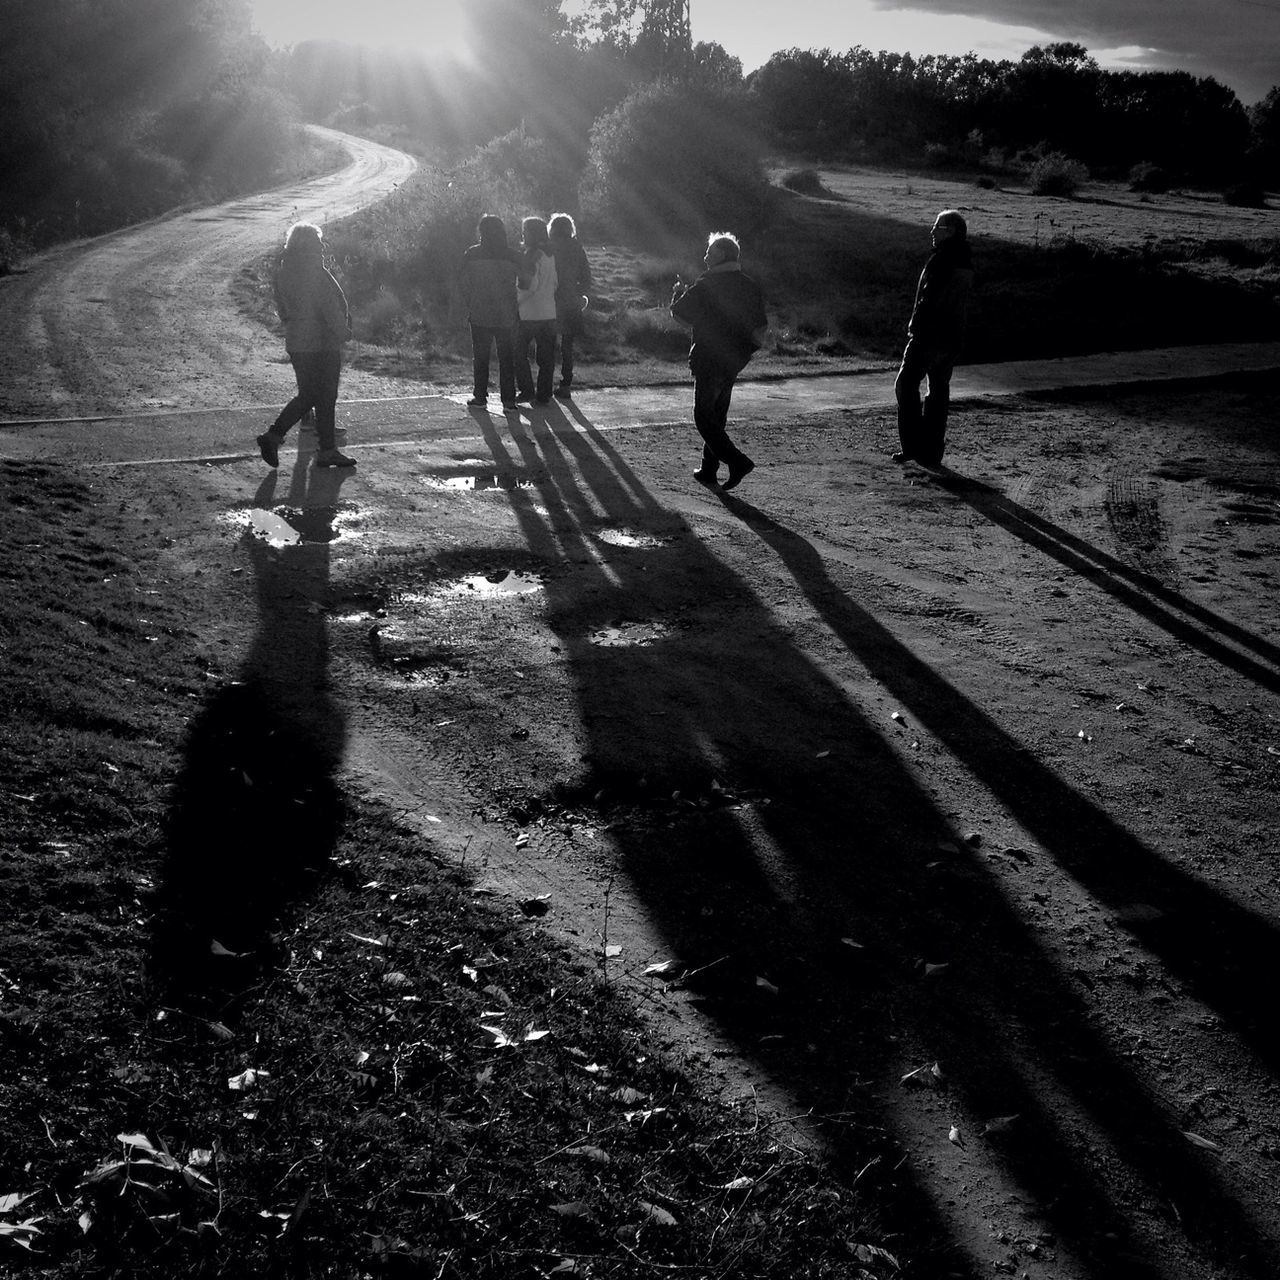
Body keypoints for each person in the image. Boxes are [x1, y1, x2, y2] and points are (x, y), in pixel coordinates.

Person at [670, 231, 768, 491]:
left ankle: (736, 461)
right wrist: (745, 352)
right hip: (734, 359)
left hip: (709, 357)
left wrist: (679, 295)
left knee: (703, 416)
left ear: (722, 255)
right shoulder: (749, 284)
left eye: (709, 252)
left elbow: (680, 314)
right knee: (717, 413)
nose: (704, 257)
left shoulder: (707, 283)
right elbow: (760, 328)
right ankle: (708, 469)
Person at [257, 221, 354, 469]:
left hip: (297, 340)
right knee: (324, 396)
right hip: (320, 341)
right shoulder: (314, 272)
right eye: (318, 242)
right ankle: (309, 445)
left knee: (310, 394)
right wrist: (342, 331)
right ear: (308, 245)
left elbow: (282, 307)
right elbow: (328, 307)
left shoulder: (285, 271)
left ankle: (310, 444)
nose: (322, 247)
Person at [893, 209, 974, 468]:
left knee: (905, 385)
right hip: (951, 336)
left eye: (937, 227)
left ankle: (914, 446)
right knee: (938, 389)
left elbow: (929, 300)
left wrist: (915, 327)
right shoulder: (964, 259)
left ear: (949, 231)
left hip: (929, 336)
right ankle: (931, 451)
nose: (931, 231)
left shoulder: (943, 260)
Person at [461, 215, 523, 409]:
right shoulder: (513, 256)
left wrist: (470, 300)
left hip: (480, 312)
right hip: (506, 313)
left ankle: (480, 396)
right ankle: (509, 400)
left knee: (480, 357)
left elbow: (462, 282)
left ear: (482, 232)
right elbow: (527, 281)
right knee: (507, 358)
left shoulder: (471, 254)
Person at [514, 217, 559, 404]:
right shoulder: (550, 254)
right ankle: (544, 393)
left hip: (529, 313)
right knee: (546, 357)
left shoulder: (531, 255)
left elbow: (528, 286)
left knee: (518, 352)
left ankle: (526, 390)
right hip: (549, 312)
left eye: (525, 231)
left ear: (532, 233)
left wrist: (516, 302)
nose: (523, 235)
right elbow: (555, 283)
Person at [547, 212, 593, 399]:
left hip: (551, 300)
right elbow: (586, 277)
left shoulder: (549, 248)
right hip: (571, 301)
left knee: (548, 344)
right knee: (567, 346)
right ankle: (566, 384)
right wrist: (578, 292)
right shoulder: (577, 248)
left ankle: (545, 383)